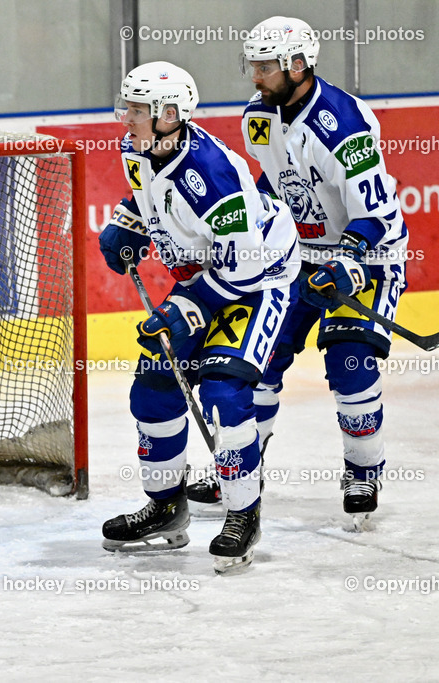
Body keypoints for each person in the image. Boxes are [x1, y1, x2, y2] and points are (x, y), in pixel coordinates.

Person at [188, 17, 406, 529]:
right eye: (254, 66)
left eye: (266, 67)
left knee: (350, 364)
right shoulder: (258, 114)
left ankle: (362, 472)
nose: (255, 77)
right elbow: (271, 178)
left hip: (367, 256)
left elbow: (377, 212)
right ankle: (242, 471)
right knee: (257, 366)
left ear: (299, 65)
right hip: (294, 258)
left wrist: (348, 259)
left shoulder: (342, 123)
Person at [98, 61, 301, 572]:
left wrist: (184, 308)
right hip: (203, 276)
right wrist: (128, 225)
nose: (127, 118)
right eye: (127, 106)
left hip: (256, 283)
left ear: (170, 114)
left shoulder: (212, 175)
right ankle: (167, 507)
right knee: (152, 388)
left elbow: (246, 267)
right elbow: (146, 197)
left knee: (223, 394)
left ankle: (243, 514)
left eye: (137, 110)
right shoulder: (139, 148)